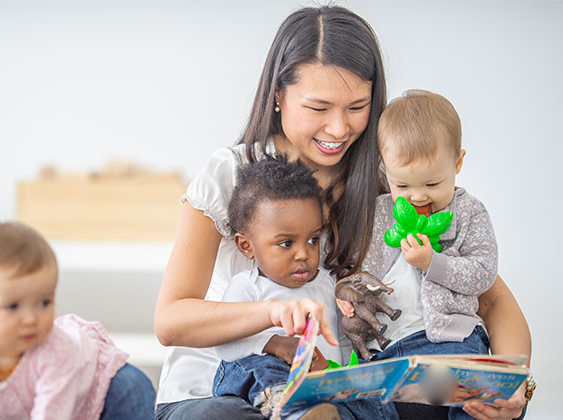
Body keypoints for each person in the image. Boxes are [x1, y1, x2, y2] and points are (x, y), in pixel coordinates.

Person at [154, 5, 531, 420]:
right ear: (278, 95)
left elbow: (492, 299)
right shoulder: (232, 173)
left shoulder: (394, 188)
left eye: (356, 107)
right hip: (218, 385)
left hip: (335, 386)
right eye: (318, 108)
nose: (338, 129)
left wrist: (516, 386)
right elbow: (171, 319)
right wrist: (273, 315)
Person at [343, 89, 495, 419]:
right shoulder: (378, 214)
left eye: (431, 184)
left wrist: (432, 263)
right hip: (388, 349)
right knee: (363, 402)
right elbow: (358, 272)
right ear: (385, 171)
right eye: (402, 186)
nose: (416, 197)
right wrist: (349, 298)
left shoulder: (469, 212)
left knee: (470, 392)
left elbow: (484, 272)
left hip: (450, 340)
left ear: (457, 162)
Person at [0, 221, 156, 419]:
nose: (30, 319)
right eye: (12, 306)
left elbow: (50, 413)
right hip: (28, 408)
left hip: (98, 388)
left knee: (132, 388)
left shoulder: (55, 351)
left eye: (44, 303)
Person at [211, 156, 340, 420]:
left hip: (317, 382)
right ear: (247, 246)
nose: (304, 253)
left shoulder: (326, 283)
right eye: (286, 244)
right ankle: (292, 410)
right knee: (261, 367)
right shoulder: (247, 286)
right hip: (257, 381)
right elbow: (224, 345)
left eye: (313, 239)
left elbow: (339, 339)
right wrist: (276, 344)